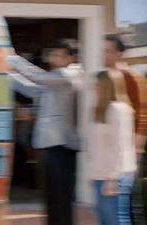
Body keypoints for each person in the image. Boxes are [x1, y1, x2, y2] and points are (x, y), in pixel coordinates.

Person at [7, 39, 81, 225]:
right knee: (50, 198)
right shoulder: (56, 77)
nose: (54, 59)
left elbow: (38, 78)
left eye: (59, 55)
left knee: (61, 198)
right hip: (50, 146)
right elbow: (32, 90)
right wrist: (6, 75)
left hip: (62, 147)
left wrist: (12, 58)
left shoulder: (71, 74)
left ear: (72, 57)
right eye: (53, 55)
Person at [104, 35, 147, 225]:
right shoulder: (107, 77)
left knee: (124, 209)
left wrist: (136, 155)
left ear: (119, 54)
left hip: (125, 155)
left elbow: (142, 119)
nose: (103, 55)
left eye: (107, 51)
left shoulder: (132, 78)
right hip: (110, 154)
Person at [89, 71, 137, 225]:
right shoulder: (104, 109)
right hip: (101, 176)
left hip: (114, 177)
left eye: (97, 85)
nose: (94, 88)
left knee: (115, 220)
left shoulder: (118, 110)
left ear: (107, 86)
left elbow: (120, 146)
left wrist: (113, 179)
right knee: (105, 220)